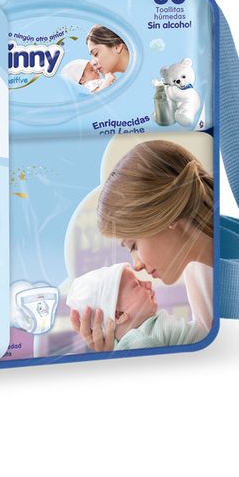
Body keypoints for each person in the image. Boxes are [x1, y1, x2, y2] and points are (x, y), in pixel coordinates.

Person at [71, 139, 213, 350]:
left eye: (133, 246)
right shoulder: (196, 271)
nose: (136, 265)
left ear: (166, 215)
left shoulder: (228, 272)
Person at [68, 262, 207, 351]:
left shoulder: (138, 335)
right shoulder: (138, 343)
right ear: (119, 315)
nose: (148, 283)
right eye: (137, 284)